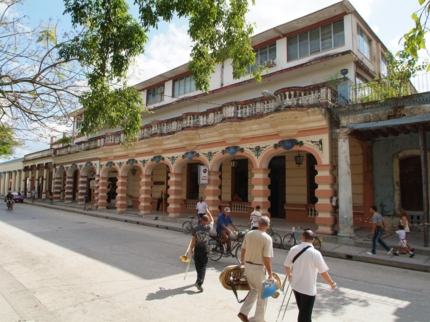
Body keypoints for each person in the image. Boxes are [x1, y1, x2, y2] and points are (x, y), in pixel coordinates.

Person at [284, 230, 337, 322]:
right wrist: (331, 283)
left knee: (303, 311)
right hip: (308, 289)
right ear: (313, 240)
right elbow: (323, 272)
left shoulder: (293, 249)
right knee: (305, 315)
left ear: (302, 238)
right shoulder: (315, 253)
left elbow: (287, 265)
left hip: (295, 285)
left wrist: (289, 275)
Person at [237, 216, 273, 322]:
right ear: (268, 226)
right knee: (263, 295)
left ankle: (243, 312)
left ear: (258, 224)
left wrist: (243, 263)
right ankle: (259, 319)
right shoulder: (267, 238)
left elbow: (243, 250)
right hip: (258, 268)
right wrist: (270, 274)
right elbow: (266, 258)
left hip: (248, 265)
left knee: (253, 290)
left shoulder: (249, 234)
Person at [190, 210, 214, 292]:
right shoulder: (208, 227)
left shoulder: (195, 228)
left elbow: (193, 239)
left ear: (201, 220)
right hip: (204, 248)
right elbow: (212, 221)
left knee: (198, 264)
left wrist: (191, 249)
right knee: (203, 266)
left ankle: (198, 280)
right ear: (207, 221)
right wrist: (209, 212)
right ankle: (199, 282)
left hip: (197, 247)